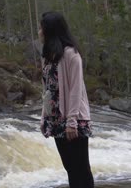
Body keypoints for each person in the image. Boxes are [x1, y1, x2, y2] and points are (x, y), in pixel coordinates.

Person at [38, 11, 94, 188]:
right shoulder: (47, 57)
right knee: (70, 168)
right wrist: (44, 116)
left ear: (51, 31)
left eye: (41, 28)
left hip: (74, 119)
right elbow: (48, 90)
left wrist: (71, 121)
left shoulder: (71, 55)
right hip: (56, 119)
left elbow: (76, 89)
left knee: (81, 169)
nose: (39, 32)